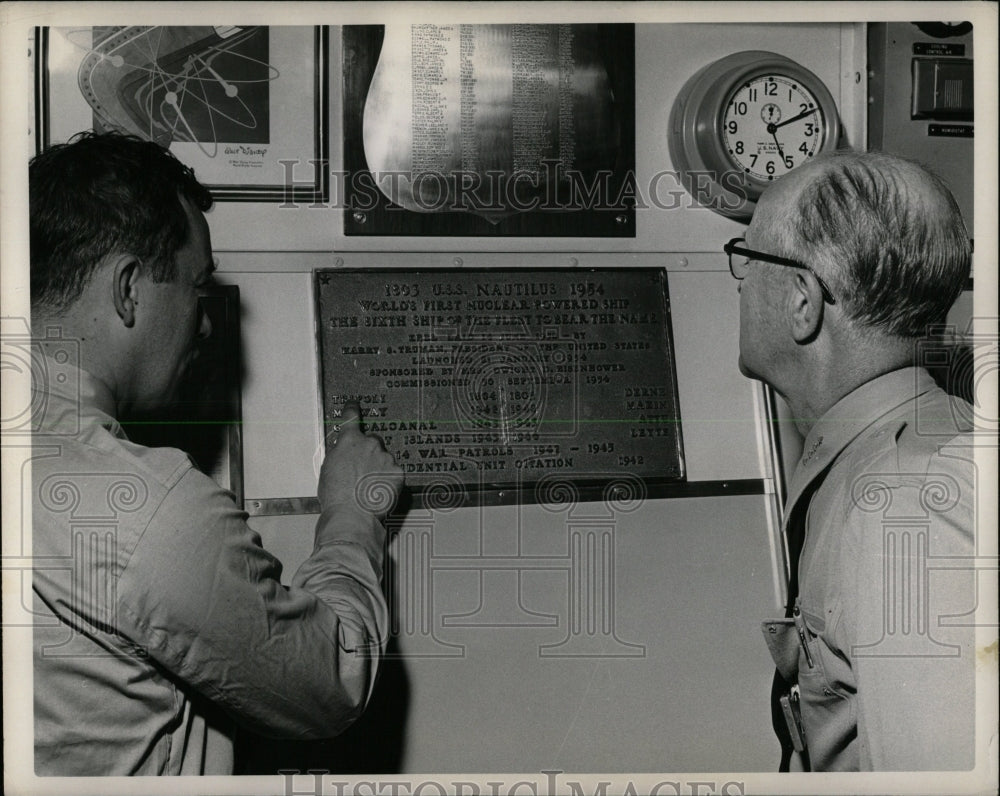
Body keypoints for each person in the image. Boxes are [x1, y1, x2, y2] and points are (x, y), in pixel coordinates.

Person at [29, 131, 404, 775]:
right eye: (197, 288)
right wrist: (351, 513)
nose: (204, 323)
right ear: (128, 290)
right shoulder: (146, 508)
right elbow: (332, 681)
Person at [726, 150, 977, 771]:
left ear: (802, 301)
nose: (739, 279)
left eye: (747, 257)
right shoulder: (908, 453)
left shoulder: (905, 504)